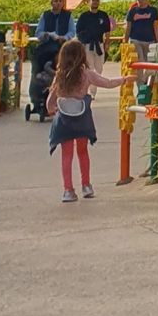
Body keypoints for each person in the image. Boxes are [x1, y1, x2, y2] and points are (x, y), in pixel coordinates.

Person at [46, 37, 125, 202]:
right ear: (82, 56)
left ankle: (68, 190)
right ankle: (86, 185)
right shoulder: (87, 74)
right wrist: (124, 79)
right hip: (82, 118)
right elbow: (108, 83)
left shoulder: (59, 76)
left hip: (64, 120)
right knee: (82, 152)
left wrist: (52, 111)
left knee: (66, 155)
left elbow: (50, 102)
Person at [122, 0, 158, 86]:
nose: (140, 1)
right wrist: (125, 41)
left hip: (150, 40)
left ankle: (145, 82)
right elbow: (128, 27)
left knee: (150, 64)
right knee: (140, 62)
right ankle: (140, 86)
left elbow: (156, 26)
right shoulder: (133, 11)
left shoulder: (153, 11)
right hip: (136, 39)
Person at [74, 0, 110, 71]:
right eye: (93, 0)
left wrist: (107, 44)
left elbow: (107, 31)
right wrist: (81, 45)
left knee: (99, 69)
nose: (95, 2)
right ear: (89, 2)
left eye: (97, 0)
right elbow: (78, 32)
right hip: (87, 45)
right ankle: (90, 84)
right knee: (89, 69)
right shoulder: (84, 16)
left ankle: (98, 83)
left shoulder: (103, 15)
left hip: (99, 44)